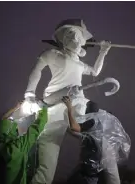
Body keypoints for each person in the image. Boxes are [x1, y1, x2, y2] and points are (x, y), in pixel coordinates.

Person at [25, 19, 112, 184]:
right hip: (54, 106)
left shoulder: (79, 63)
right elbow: (36, 71)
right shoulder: (52, 54)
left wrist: (103, 52)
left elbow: (94, 72)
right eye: (71, 34)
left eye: (78, 35)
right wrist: (29, 93)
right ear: (63, 38)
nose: (76, 38)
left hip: (77, 103)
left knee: (95, 128)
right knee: (46, 170)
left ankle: (95, 170)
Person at [62, 96, 121, 184]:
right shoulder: (99, 129)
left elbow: (74, 128)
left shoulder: (93, 121)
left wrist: (69, 108)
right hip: (91, 169)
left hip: (89, 171)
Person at [0, 103, 48, 184]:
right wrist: (44, 109)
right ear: (11, 131)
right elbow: (36, 129)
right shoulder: (16, 148)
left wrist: (15, 108)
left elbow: (1, 123)